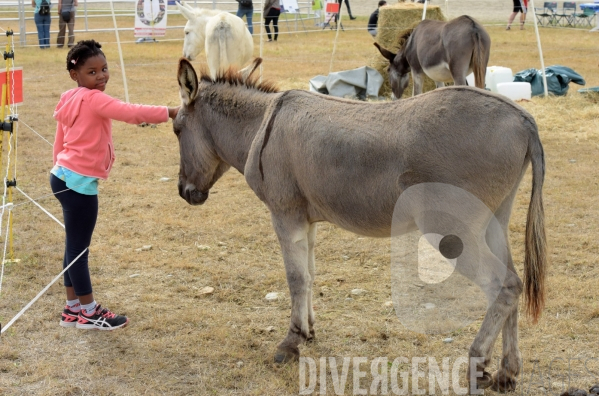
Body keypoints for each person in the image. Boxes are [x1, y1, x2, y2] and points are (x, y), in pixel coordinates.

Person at [52, 40, 179, 331]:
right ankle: (89, 312)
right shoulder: (93, 99)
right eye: (92, 72)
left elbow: (60, 141)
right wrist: (170, 111)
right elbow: (130, 112)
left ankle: (72, 309)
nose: (101, 77)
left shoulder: (68, 97)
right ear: (76, 75)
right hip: (78, 184)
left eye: (104, 69)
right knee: (79, 250)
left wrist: (59, 168)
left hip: (62, 177)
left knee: (73, 246)